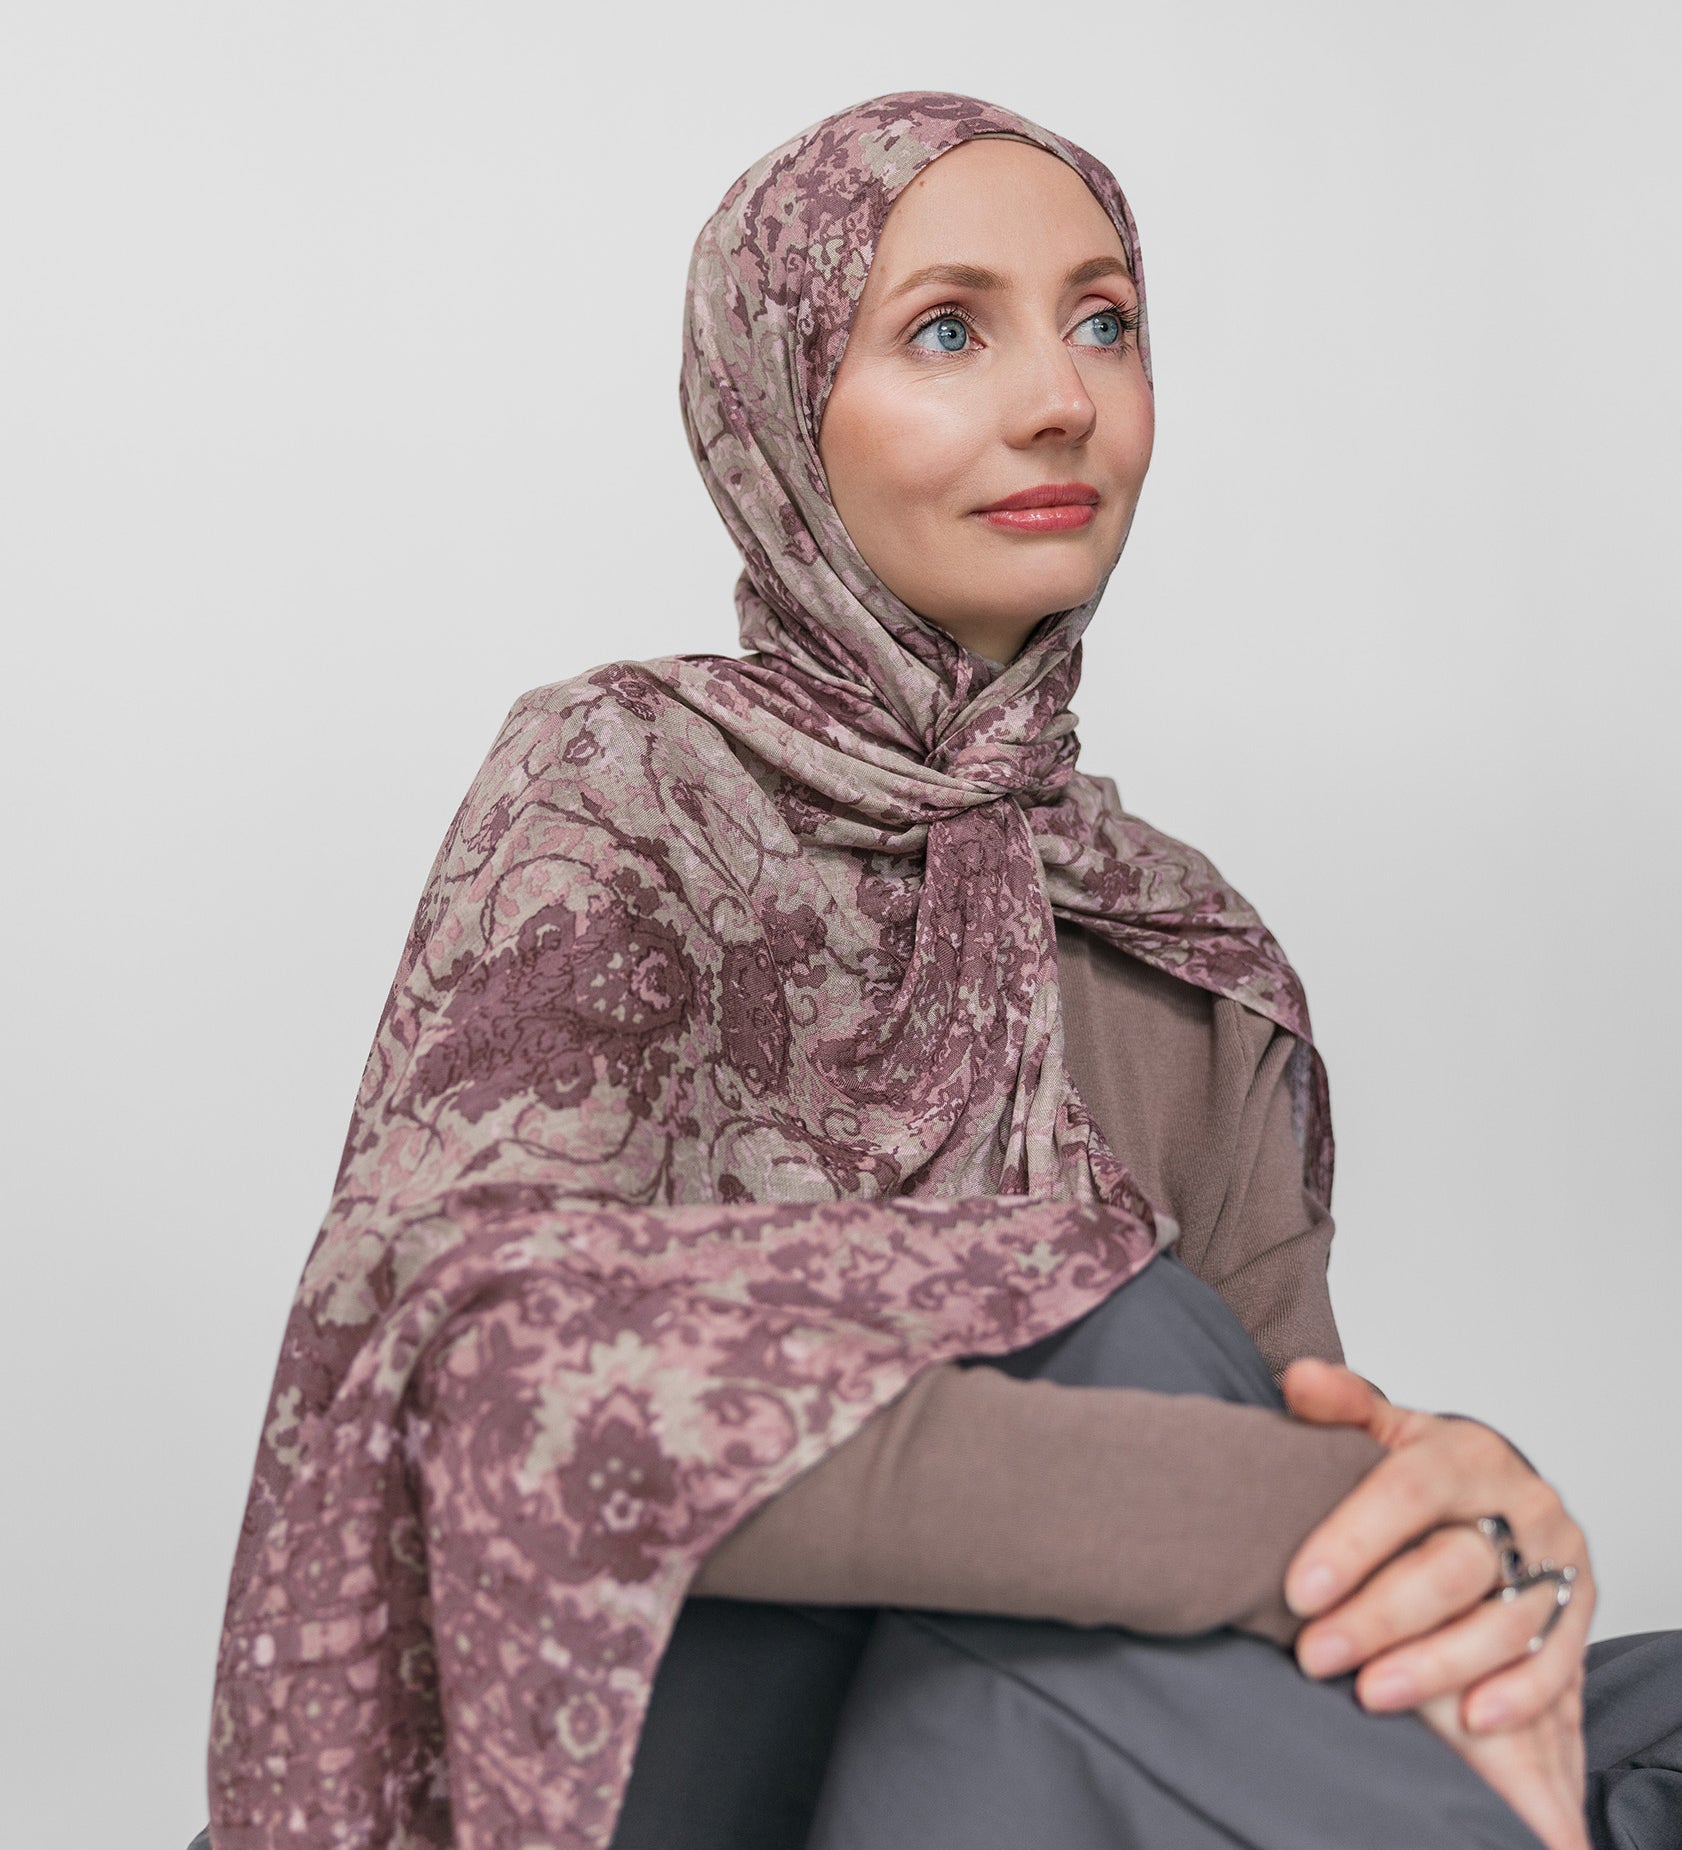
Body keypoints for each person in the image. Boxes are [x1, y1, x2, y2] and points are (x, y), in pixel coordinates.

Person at [201, 92, 1680, 1850]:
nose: (1059, 394)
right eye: (946, 328)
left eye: (1104, 320)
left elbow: (1291, 1518)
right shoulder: (626, 775)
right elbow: (488, 1371)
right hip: (626, 1759)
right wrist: (1318, 1513)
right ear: (777, 409)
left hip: (995, 1755)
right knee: (1096, 1309)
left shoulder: (1182, 941)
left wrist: (1456, 1517)